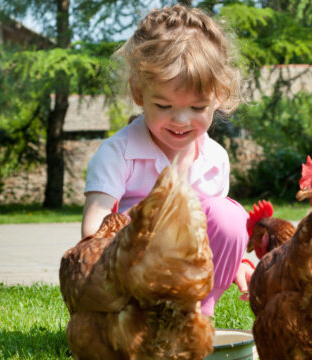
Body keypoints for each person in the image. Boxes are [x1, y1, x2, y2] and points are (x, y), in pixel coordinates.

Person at [81, 4, 252, 317]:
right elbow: (93, 232)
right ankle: (139, 319)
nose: (181, 120)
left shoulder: (215, 158)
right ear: (138, 92)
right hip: (127, 285)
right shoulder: (117, 153)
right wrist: (150, 215)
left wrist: (238, 260)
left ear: (219, 98)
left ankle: (199, 316)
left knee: (230, 217)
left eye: (198, 108)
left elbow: (216, 232)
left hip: (186, 282)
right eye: (163, 105)